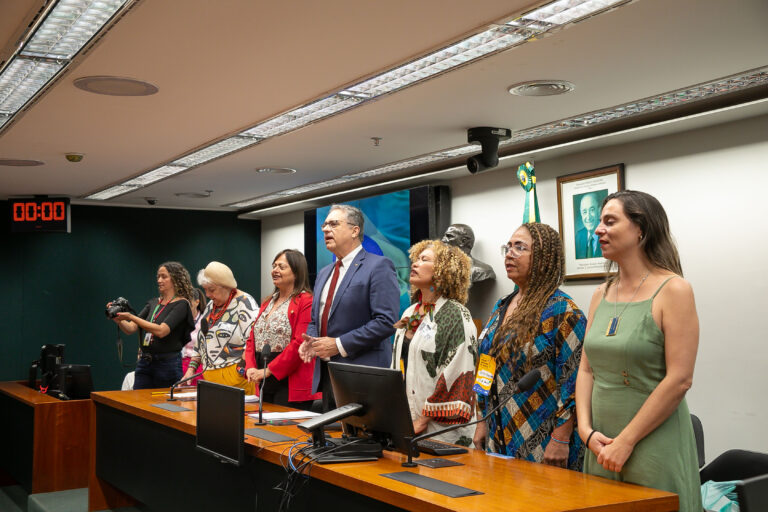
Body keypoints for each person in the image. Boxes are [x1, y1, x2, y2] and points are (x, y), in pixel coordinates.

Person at [575, 191, 701, 511]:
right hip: (600, 444)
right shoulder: (601, 294)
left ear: (640, 229)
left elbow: (680, 379)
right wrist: (585, 430)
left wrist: (626, 441)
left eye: (610, 221)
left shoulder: (674, 289)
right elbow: (587, 369)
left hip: (652, 445)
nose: (599, 230)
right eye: (600, 222)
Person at [473, 223, 586, 470]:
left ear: (544, 257)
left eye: (520, 247)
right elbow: (486, 363)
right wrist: (481, 420)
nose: (509, 254)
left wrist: (561, 437)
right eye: (508, 247)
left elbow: (574, 382)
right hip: (498, 433)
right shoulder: (502, 306)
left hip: (544, 440)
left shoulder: (563, 311)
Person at [299, 204, 400, 411]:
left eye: (334, 224)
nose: (326, 229)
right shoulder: (324, 272)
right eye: (325, 225)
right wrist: (312, 341)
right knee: (331, 432)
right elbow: (315, 319)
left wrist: (338, 344)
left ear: (355, 230)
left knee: (360, 433)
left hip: (362, 375)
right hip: (328, 374)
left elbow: (386, 322)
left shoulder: (379, 266)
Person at [391, 240, 477, 446]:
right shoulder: (411, 312)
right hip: (408, 421)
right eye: (416, 259)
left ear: (443, 270)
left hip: (441, 430)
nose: (415, 263)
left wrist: (422, 421)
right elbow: (399, 364)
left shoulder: (456, 314)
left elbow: (457, 371)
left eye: (424, 260)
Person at [244, 249, 320, 410]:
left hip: (289, 380)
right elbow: (252, 338)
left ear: (296, 272)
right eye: (274, 266)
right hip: (263, 377)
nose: (275, 270)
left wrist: (269, 370)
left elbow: (300, 342)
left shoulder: (306, 301)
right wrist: (250, 367)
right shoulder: (268, 302)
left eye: (281, 267)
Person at [110, 261, 195, 390]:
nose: (159, 280)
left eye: (164, 277)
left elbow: (161, 331)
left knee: (166, 400)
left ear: (175, 279)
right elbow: (131, 328)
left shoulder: (182, 304)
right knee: (139, 398)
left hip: (168, 364)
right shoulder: (153, 303)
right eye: (158, 277)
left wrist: (131, 317)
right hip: (146, 362)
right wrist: (118, 319)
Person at [182, 261, 258, 394]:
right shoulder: (211, 306)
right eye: (205, 289)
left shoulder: (244, 303)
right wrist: (191, 369)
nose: (207, 295)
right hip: (210, 378)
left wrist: (240, 370)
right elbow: (201, 341)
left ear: (226, 286)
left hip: (236, 378)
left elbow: (253, 340)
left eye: (211, 290)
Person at [180, 287, 206, 386]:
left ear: (197, 302)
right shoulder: (177, 319)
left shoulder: (205, 321)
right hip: (179, 363)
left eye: (188, 303)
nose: (184, 307)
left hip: (198, 365)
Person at [575, 192, 601, 259]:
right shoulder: (578, 236)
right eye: (584, 212)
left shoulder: (607, 234)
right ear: (581, 214)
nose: (588, 217)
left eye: (592, 210)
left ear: (599, 211)